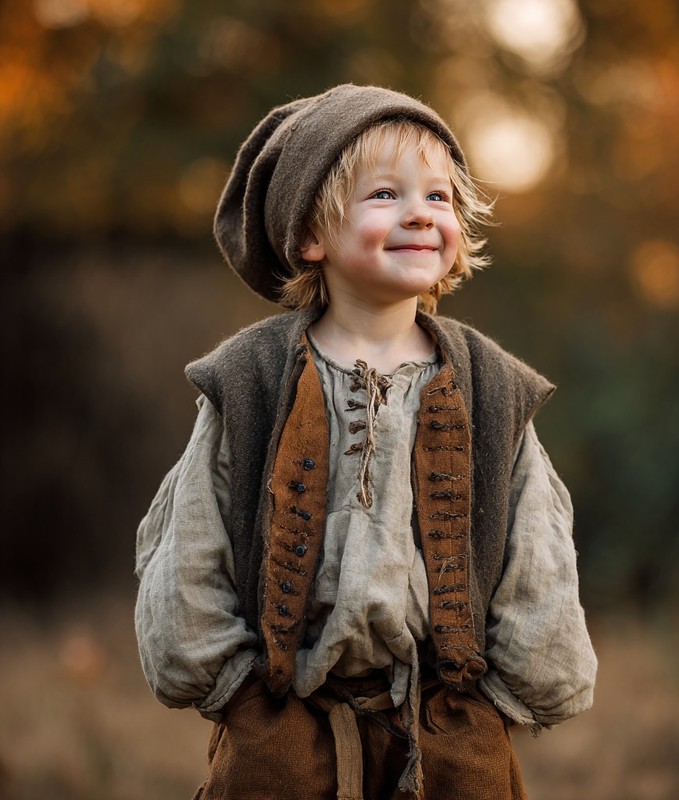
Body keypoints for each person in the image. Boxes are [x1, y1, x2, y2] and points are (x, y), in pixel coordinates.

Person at [135, 84, 597, 800]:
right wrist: (240, 698)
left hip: (450, 730)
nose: (420, 212)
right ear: (310, 236)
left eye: (439, 197)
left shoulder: (490, 387)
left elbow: (538, 555)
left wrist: (493, 709)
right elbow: (190, 545)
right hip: (286, 731)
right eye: (385, 194)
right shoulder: (251, 380)